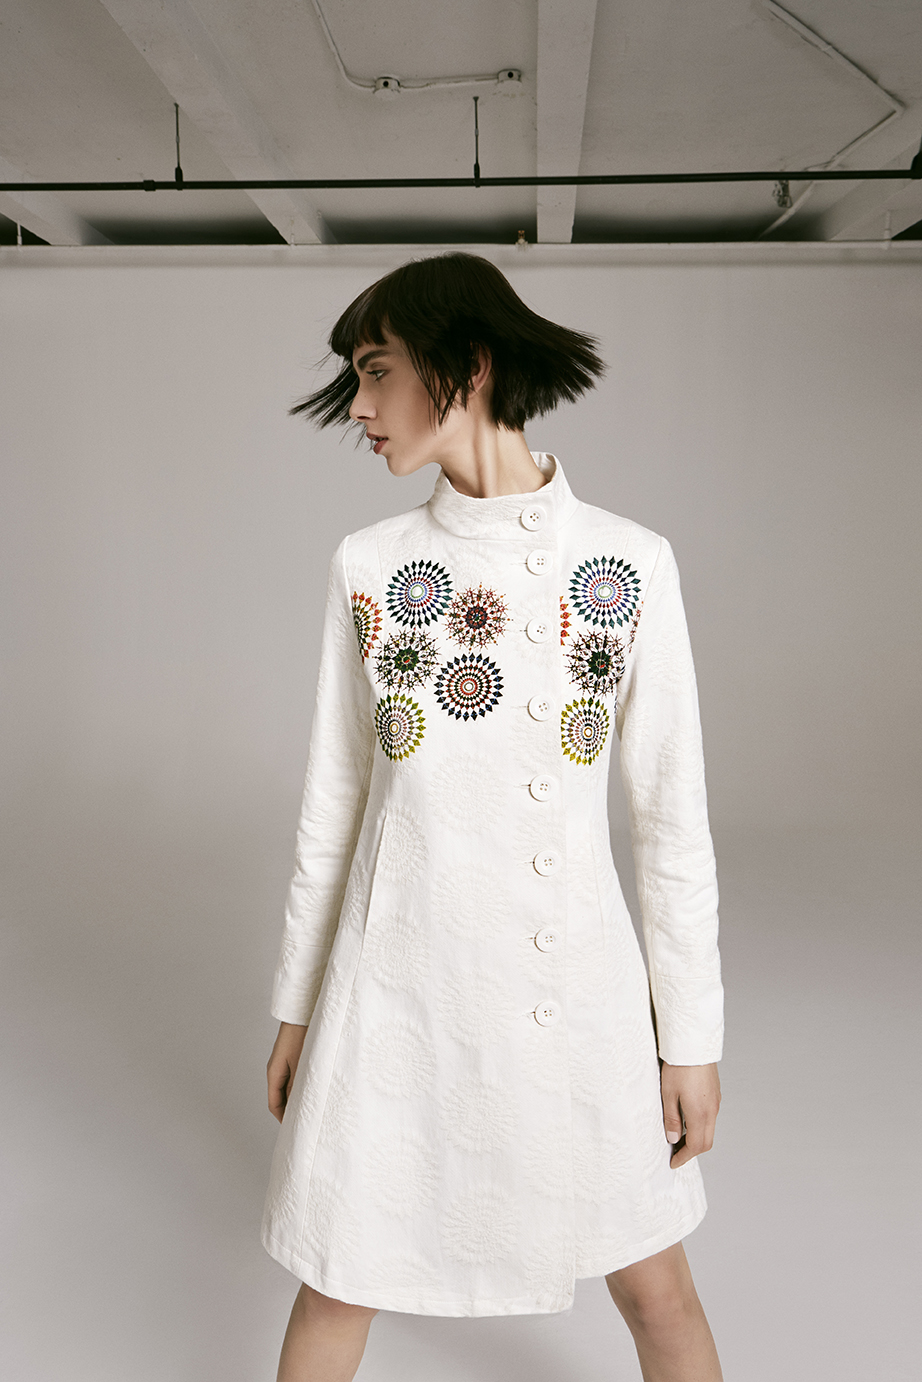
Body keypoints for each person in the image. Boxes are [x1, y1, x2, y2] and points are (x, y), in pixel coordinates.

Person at [263, 252, 724, 1382]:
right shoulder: (372, 567)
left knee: (656, 1289)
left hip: (577, 1000)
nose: (359, 408)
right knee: (339, 1277)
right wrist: (296, 1008)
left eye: (377, 371)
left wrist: (690, 1037)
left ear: (465, 366)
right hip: (395, 999)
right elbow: (332, 806)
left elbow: (670, 822)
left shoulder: (626, 564)